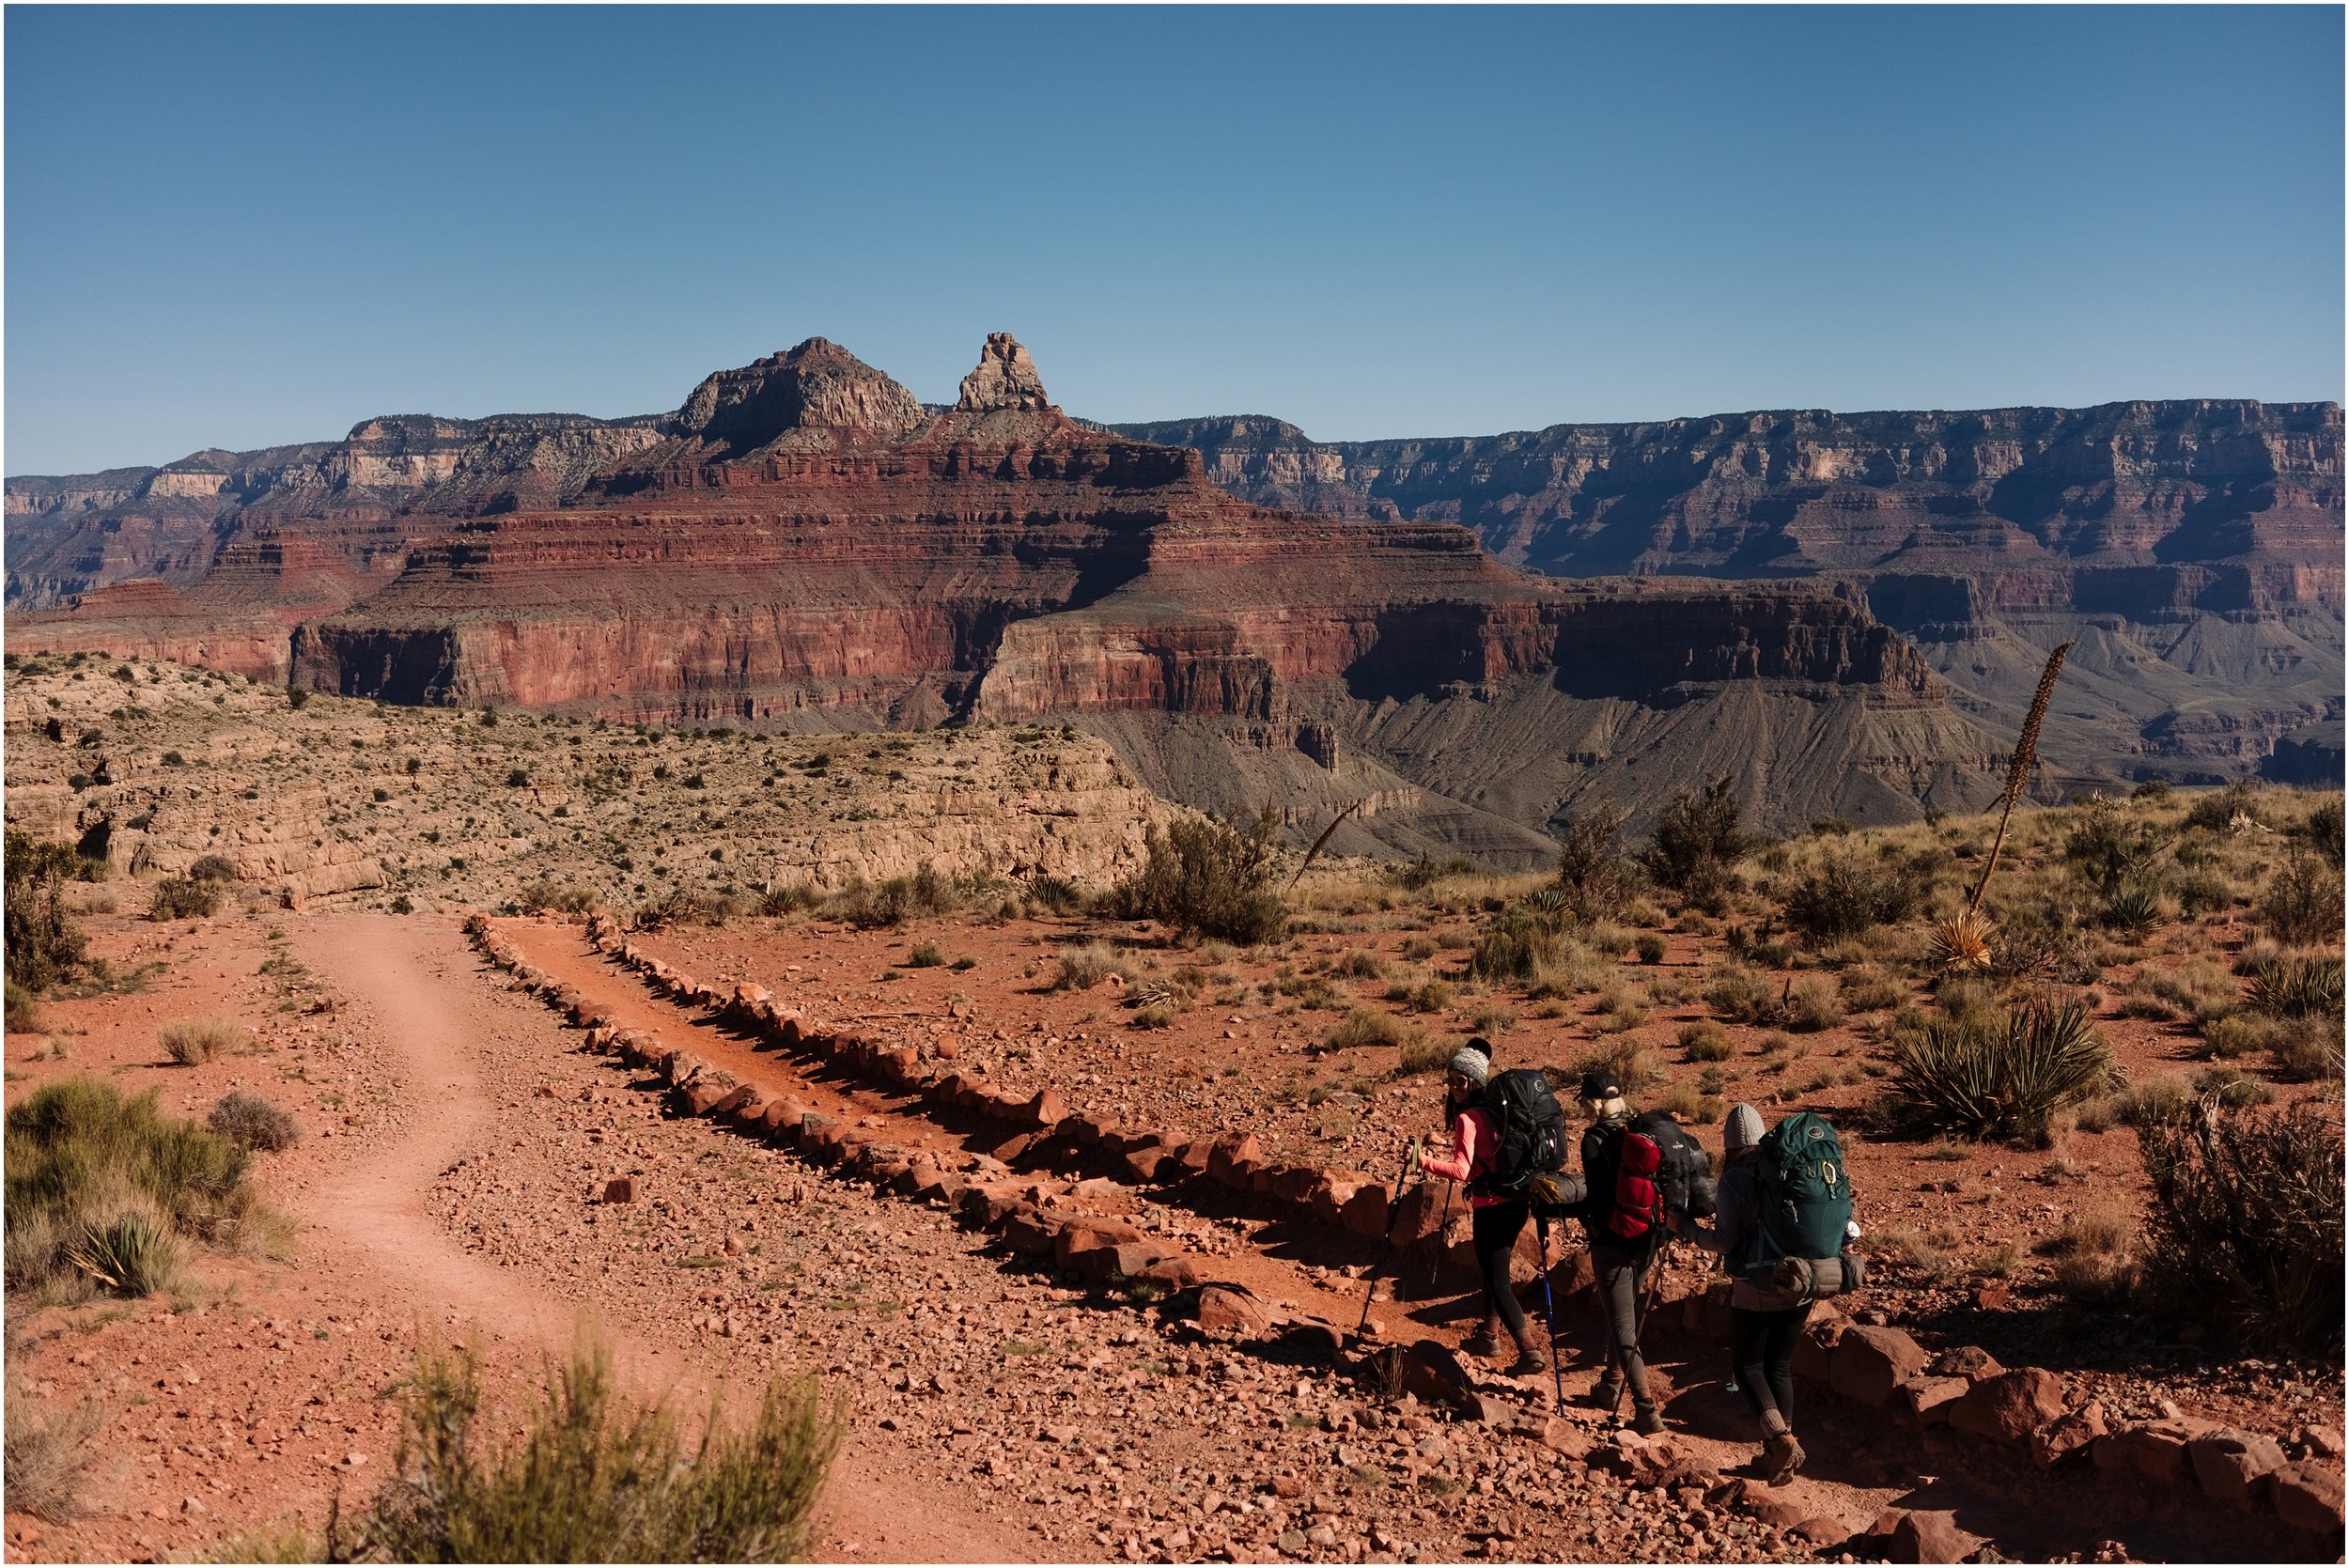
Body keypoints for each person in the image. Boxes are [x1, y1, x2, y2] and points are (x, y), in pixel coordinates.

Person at [1672, 1103, 1810, 1483]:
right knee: (1779, 1366)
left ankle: (1781, 1441)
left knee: (1748, 1367)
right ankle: (1777, 1454)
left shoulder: (1734, 1180)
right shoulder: (1790, 1168)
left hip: (1757, 1288)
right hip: (1803, 1282)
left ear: (1729, 1143)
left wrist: (1684, 1228)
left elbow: (1724, 1242)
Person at [1418, 1039, 1545, 1376]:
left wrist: (1423, 1161)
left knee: (1498, 1280)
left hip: (1492, 1206)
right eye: (1450, 1080)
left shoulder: (1468, 1119)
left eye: (1460, 1081)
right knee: (1492, 1272)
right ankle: (1488, 1335)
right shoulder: (1496, 1111)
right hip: (1516, 1204)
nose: (1454, 1088)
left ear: (1474, 1082)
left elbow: (1460, 1171)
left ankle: (1529, 1350)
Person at [1576, 1066, 1664, 1435]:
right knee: (1624, 1313)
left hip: (1612, 1240)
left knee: (1622, 1323)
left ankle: (1646, 1409)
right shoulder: (1643, 1129)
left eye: (1583, 1101)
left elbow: (1596, 1197)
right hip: (1649, 1239)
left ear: (1594, 1103)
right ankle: (1611, 1384)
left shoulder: (1594, 1139)